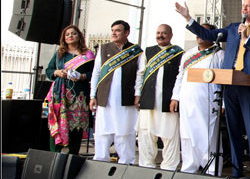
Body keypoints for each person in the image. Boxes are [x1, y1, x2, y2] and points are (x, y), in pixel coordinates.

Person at [176, 0, 250, 179]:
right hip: (230, 85)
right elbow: (209, 36)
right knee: (233, 130)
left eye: (248, 6)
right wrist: (188, 18)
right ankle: (237, 171)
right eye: (243, 5)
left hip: (249, 86)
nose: (244, 8)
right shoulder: (232, 28)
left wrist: (247, 39)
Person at [172, 23, 225, 174]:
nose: (199, 35)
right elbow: (180, 77)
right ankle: (189, 167)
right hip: (187, 101)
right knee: (187, 135)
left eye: (204, 32)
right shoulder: (188, 54)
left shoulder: (219, 55)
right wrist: (175, 97)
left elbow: (225, 81)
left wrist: (224, 104)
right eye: (197, 32)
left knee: (208, 136)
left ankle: (212, 170)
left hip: (208, 102)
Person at [89, 20, 144, 164]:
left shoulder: (135, 51)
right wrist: (92, 95)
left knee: (125, 131)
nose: (113, 33)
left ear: (127, 33)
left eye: (118, 30)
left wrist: (138, 94)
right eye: (112, 30)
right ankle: (100, 160)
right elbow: (96, 73)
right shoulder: (103, 49)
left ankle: (126, 162)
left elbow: (140, 75)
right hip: (104, 98)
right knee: (102, 131)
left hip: (126, 99)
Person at [135, 24, 183, 170]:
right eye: (158, 33)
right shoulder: (148, 52)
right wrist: (137, 94)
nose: (160, 35)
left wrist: (176, 98)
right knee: (146, 133)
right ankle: (146, 164)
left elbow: (181, 77)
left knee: (169, 134)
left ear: (171, 35)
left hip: (168, 101)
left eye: (164, 33)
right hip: (148, 99)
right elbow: (140, 74)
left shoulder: (178, 53)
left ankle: (169, 166)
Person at [45, 25, 95, 154]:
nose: (70, 36)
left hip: (79, 95)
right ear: (64, 38)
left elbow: (94, 74)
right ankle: (54, 155)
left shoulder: (88, 55)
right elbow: (49, 70)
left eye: (73, 33)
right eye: (67, 34)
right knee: (57, 123)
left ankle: (73, 156)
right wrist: (57, 72)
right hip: (60, 95)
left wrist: (83, 76)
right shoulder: (60, 54)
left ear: (79, 36)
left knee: (76, 127)